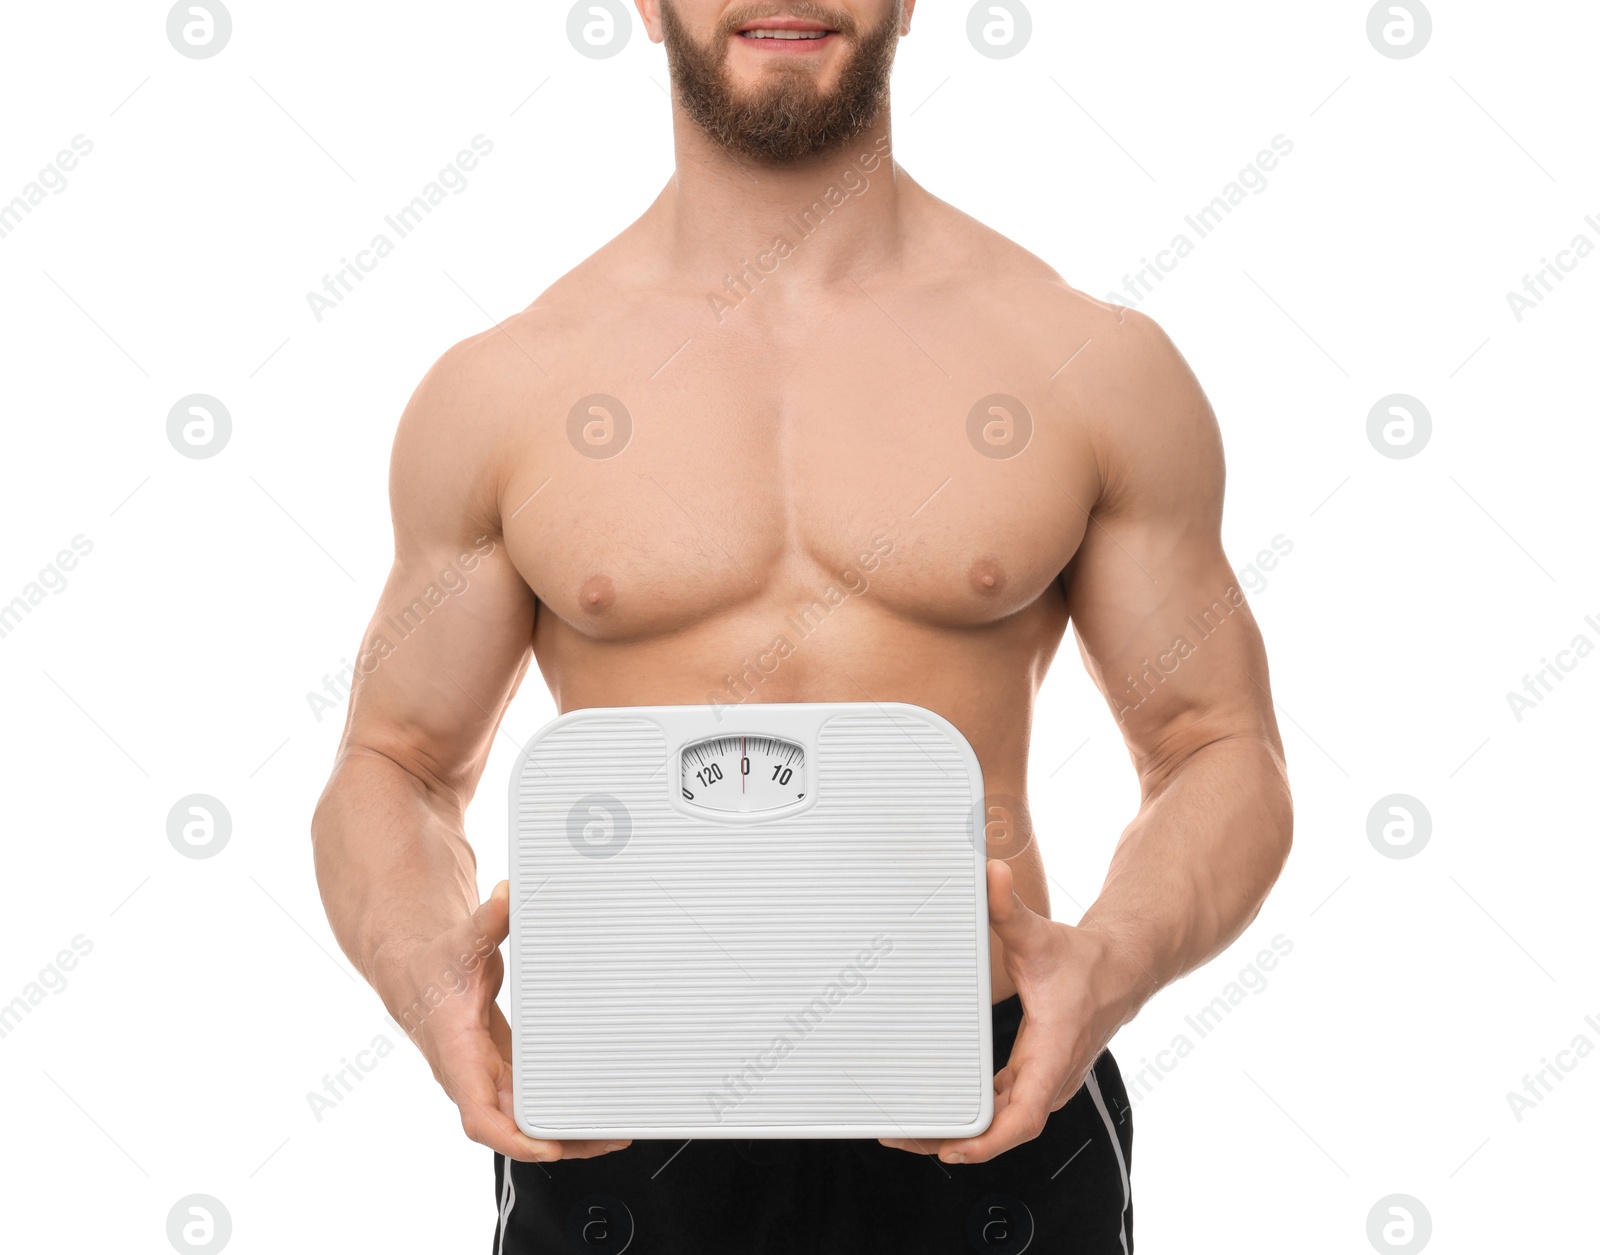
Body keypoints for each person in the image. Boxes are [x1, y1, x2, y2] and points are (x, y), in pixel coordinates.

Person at [310, 2, 1294, 1250]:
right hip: (620, 1123)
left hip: (986, 1104)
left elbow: (1218, 744)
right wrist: (428, 974)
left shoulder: (1084, 365)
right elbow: (392, 763)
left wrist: (1106, 964)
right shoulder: (507, 391)